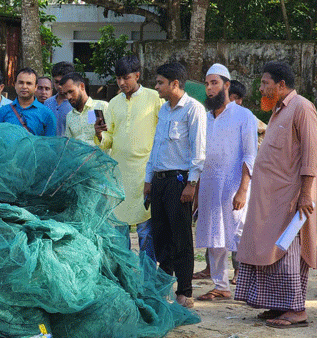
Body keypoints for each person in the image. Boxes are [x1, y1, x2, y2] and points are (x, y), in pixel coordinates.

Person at [235, 61, 317, 328]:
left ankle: (296, 310)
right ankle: (278, 306)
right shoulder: (277, 111)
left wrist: (305, 195)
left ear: (281, 85)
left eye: (265, 83)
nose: (261, 88)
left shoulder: (303, 108)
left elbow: (310, 155)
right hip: (269, 200)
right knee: (268, 251)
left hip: (291, 200)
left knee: (287, 252)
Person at [143, 62, 206, 309]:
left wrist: (191, 184)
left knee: (181, 238)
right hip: (158, 182)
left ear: (175, 84)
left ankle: (185, 292)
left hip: (179, 182)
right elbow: (156, 146)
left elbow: (199, 151)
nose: (156, 87)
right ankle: (163, 287)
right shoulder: (164, 111)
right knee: (160, 236)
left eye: (160, 83)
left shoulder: (193, 110)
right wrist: (148, 180)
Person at [194, 64, 257, 301]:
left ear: (227, 85)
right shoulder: (204, 118)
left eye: (214, 83)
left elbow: (250, 155)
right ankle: (221, 286)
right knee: (215, 236)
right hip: (210, 185)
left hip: (234, 187)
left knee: (240, 236)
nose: (210, 89)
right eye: (207, 84)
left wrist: (242, 190)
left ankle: (252, 285)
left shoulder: (244, 116)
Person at [95, 56, 162, 262]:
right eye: (118, 79)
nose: (122, 83)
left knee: (145, 231)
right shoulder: (113, 103)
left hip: (145, 173)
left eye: (126, 78)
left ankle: (147, 280)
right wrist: (98, 134)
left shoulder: (154, 98)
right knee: (119, 230)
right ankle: (124, 277)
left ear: (137, 76)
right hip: (120, 174)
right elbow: (109, 141)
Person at [0, 67, 56, 137]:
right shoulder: (4, 111)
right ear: (15, 85)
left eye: (29, 83)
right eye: (21, 83)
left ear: (36, 87)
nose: (24, 86)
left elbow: (50, 144)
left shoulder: (47, 114)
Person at [60, 72, 108, 146]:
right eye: (65, 93)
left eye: (71, 91)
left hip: (101, 156)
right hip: (79, 157)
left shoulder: (102, 106)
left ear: (82, 86)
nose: (68, 97)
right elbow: (69, 145)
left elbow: (113, 138)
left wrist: (99, 135)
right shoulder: (69, 116)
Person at [44, 62, 75, 136]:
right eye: (56, 82)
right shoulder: (47, 103)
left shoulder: (78, 104)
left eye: (63, 82)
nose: (59, 86)